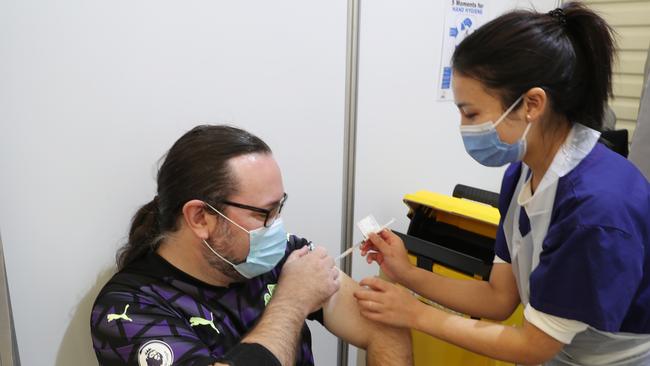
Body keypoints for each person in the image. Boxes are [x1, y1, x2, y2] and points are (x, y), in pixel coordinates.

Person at [353, 3, 650, 365]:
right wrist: (408, 273)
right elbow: (498, 298)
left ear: (532, 104)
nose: (464, 127)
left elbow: (532, 346)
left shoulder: (597, 209)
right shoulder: (522, 172)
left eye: (472, 113)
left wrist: (415, 314)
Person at [90, 125, 412, 366]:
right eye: (264, 213)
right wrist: (292, 302)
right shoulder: (129, 309)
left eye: (279, 208)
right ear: (200, 217)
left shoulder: (283, 258)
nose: (276, 228)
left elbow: (385, 328)